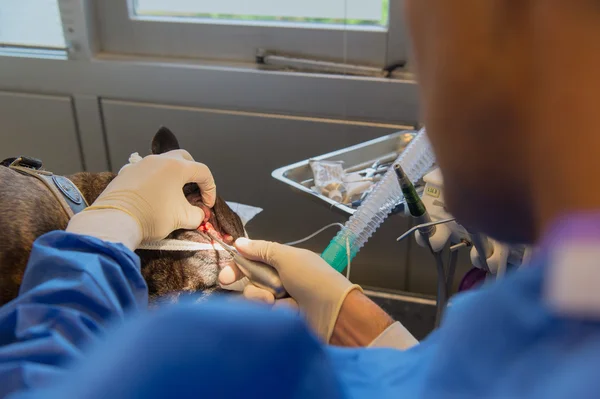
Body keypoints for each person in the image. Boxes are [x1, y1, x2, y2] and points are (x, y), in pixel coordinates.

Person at [3, 1, 600, 397]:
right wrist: (361, 326)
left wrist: (104, 230)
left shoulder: (213, 361)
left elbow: (40, 381)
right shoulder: (566, 318)